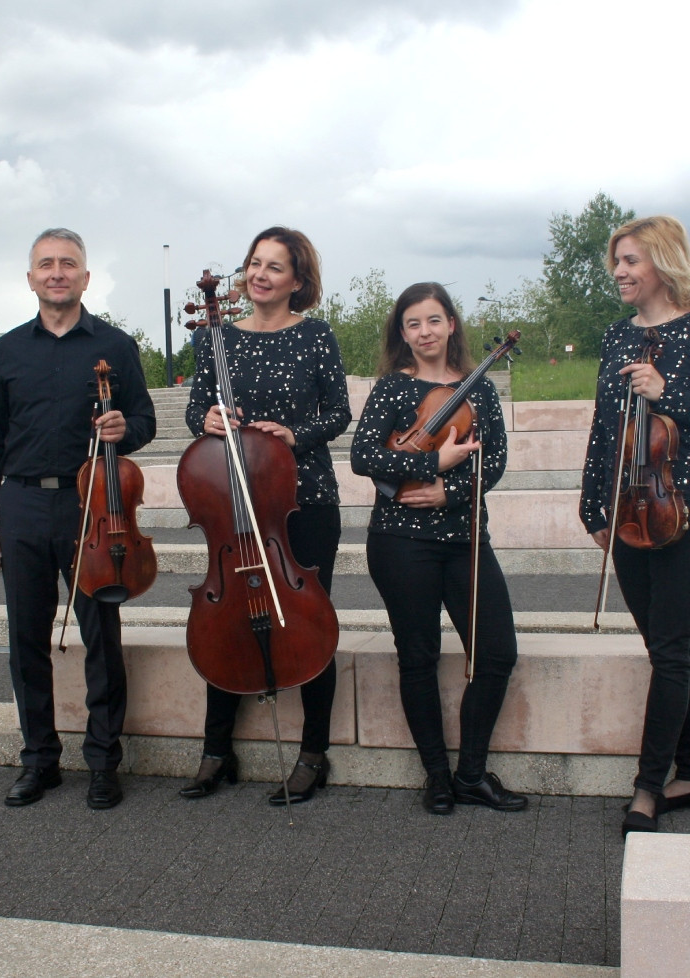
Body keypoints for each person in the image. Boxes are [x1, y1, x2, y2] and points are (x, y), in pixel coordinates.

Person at [577, 215, 690, 837]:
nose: (619, 271)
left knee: (672, 649)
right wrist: (593, 506)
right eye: (617, 261)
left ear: (663, 262)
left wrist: (666, 390)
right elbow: (605, 425)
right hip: (629, 509)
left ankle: (648, 787)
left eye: (631, 260)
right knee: (664, 649)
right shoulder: (616, 337)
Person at [0, 228, 156, 811]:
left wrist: (126, 429)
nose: (57, 272)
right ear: (31, 278)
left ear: (86, 277)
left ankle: (103, 762)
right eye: (46, 264)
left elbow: (145, 420)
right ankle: (39, 761)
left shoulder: (116, 346)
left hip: (93, 507)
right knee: (26, 640)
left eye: (68, 263)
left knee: (102, 637)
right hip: (22, 506)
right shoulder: (7, 350)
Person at [179, 226, 351, 805]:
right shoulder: (215, 338)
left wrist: (293, 434)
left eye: (275, 266)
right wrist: (205, 420)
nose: (260, 274)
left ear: (297, 280)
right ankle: (215, 751)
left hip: (303, 499)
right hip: (231, 503)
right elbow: (197, 410)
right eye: (254, 263)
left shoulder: (316, 335)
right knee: (229, 615)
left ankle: (313, 754)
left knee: (310, 620)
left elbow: (338, 412)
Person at [350, 282, 528, 816]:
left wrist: (450, 489)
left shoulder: (482, 391)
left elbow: (494, 463)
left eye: (433, 320)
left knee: (496, 653)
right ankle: (437, 776)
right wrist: (433, 463)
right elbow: (364, 457)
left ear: (451, 324)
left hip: (465, 538)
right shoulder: (391, 387)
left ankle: (471, 773)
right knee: (418, 657)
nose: (424, 332)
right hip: (400, 542)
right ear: (402, 334)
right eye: (413, 324)